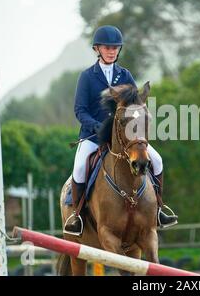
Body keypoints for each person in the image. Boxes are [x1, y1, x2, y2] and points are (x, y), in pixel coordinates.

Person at [64, 25, 178, 235]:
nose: (111, 51)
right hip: (94, 136)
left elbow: (136, 106)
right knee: (80, 167)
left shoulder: (125, 75)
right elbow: (80, 110)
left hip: (126, 137)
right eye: (107, 47)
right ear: (97, 49)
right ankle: (77, 215)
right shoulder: (87, 77)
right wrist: (98, 127)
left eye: (115, 47)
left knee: (158, 160)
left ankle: (159, 208)